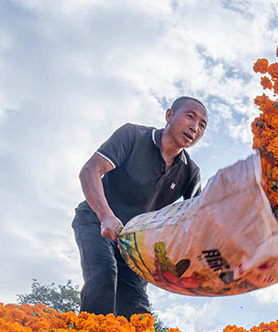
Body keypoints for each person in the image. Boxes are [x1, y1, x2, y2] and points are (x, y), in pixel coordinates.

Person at [73, 97, 207, 316]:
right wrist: (106, 216)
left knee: (137, 304)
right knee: (104, 277)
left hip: (134, 241)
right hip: (96, 219)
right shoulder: (133, 135)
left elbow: (196, 219)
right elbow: (90, 171)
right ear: (169, 115)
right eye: (190, 117)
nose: (195, 127)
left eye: (202, 125)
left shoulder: (190, 172)